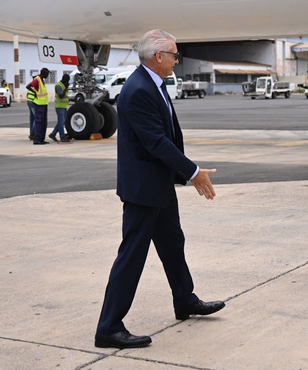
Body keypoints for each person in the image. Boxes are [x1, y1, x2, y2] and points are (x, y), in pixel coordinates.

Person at [95, 29, 224, 350]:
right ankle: (108, 327)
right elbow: (155, 141)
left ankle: (185, 300)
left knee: (172, 243)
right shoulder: (138, 90)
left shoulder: (153, 84)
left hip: (159, 184)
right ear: (158, 56)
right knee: (132, 255)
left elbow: (165, 136)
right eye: (174, 55)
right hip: (143, 188)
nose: (177, 60)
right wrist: (192, 171)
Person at [26, 68, 50, 145]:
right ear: (44, 73)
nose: (48, 75)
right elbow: (28, 86)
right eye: (47, 74)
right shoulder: (37, 79)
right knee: (39, 123)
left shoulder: (42, 80)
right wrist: (34, 92)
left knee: (43, 123)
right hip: (39, 105)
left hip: (43, 104)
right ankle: (37, 140)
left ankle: (41, 139)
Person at [49, 72, 72, 143]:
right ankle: (62, 137)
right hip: (59, 106)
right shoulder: (58, 86)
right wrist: (66, 88)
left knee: (61, 122)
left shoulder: (63, 85)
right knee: (61, 122)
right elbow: (61, 95)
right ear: (64, 80)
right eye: (67, 81)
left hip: (64, 106)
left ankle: (53, 134)